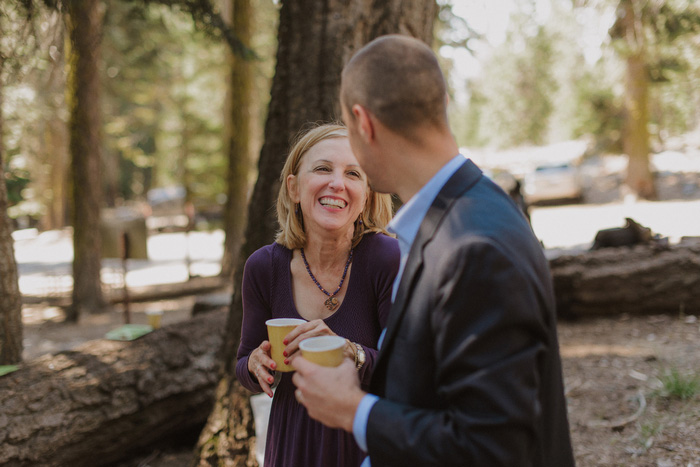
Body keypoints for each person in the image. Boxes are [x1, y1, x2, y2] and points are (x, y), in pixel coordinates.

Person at [291, 35, 576, 466]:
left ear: (363, 123)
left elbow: (493, 449)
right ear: (441, 102)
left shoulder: (474, 249)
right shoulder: (467, 212)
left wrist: (353, 410)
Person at [235, 123, 400, 467]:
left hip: (365, 434)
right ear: (294, 188)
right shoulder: (264, 267)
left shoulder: (386, 258)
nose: (337, 183)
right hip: (293, 439)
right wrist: (255, 364)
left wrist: (350, 352)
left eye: (353, 173)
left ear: (367, 194)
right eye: (323, 168)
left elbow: (405, 369)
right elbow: (243, 364)